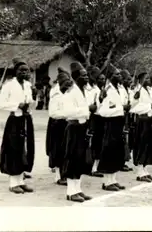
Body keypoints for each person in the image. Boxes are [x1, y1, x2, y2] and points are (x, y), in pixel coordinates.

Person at [0, 58, 36, 194]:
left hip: (26, 119)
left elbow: (30, 102)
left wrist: (31, 103)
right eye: (21, 70)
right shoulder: (9, 85)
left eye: (27, 71)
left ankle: (21, 181)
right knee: (14, 149)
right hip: (15, 119)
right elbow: (1, 104)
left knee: (24, 148)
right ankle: (13, 183)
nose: (24, 73)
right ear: (16, 72)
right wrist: (17, 105)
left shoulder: (27, 85)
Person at [61, 62, 94, 202]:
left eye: (87, 75)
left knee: (80, 159)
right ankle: (70, 191)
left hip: (81, 127)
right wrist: (87, 109)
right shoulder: (71, 91)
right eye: (84, 75)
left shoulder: (82, 91)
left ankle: (78, 189)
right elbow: (67, 112)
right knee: (72, 158)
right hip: (73, 128)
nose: (87, 77)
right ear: (76, 77)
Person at [97, 64, 127, 191]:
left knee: (117, 151)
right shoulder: (107, 91)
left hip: (119, 123)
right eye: (117, 74)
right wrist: (121, 109)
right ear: (110, 77)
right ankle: (107, 182)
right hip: (111, 124)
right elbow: (103, 112)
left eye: (120, 74)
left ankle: (113, 179)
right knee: (109, 151)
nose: (120, 76)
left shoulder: (119, 89)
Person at [130, 72, 152, 182]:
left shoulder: (149, 90)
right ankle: (140, 172)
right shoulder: (137, 91)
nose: (148, 81)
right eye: (146, 79)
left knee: (148, 145)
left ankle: (145, 169)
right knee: (141, 145)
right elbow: (134, 108)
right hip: (141, 120)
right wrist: (149, 106)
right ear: (141, 79)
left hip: (149, 119)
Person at [46, 68, 71, 186]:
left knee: (65, 149)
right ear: (60, 83)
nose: (68, 84)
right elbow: (53, 113)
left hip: (65, 124)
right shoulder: (55, 95)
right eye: (66, 82)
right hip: (57, 124)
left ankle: (63, 174)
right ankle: (57, 176)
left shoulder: (67, 94)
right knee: (56, 149)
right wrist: (68, 114)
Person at [86, 65, 105, 178]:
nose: (102, 80)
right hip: (94, 118)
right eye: (99, 78)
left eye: (103, 78)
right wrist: (100, 100)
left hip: (101, 119)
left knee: (99, 143)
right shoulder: (92, 91)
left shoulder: (101, 90)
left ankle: (96, 167)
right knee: (93, 143)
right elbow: (91, 107)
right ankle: (91, 167)